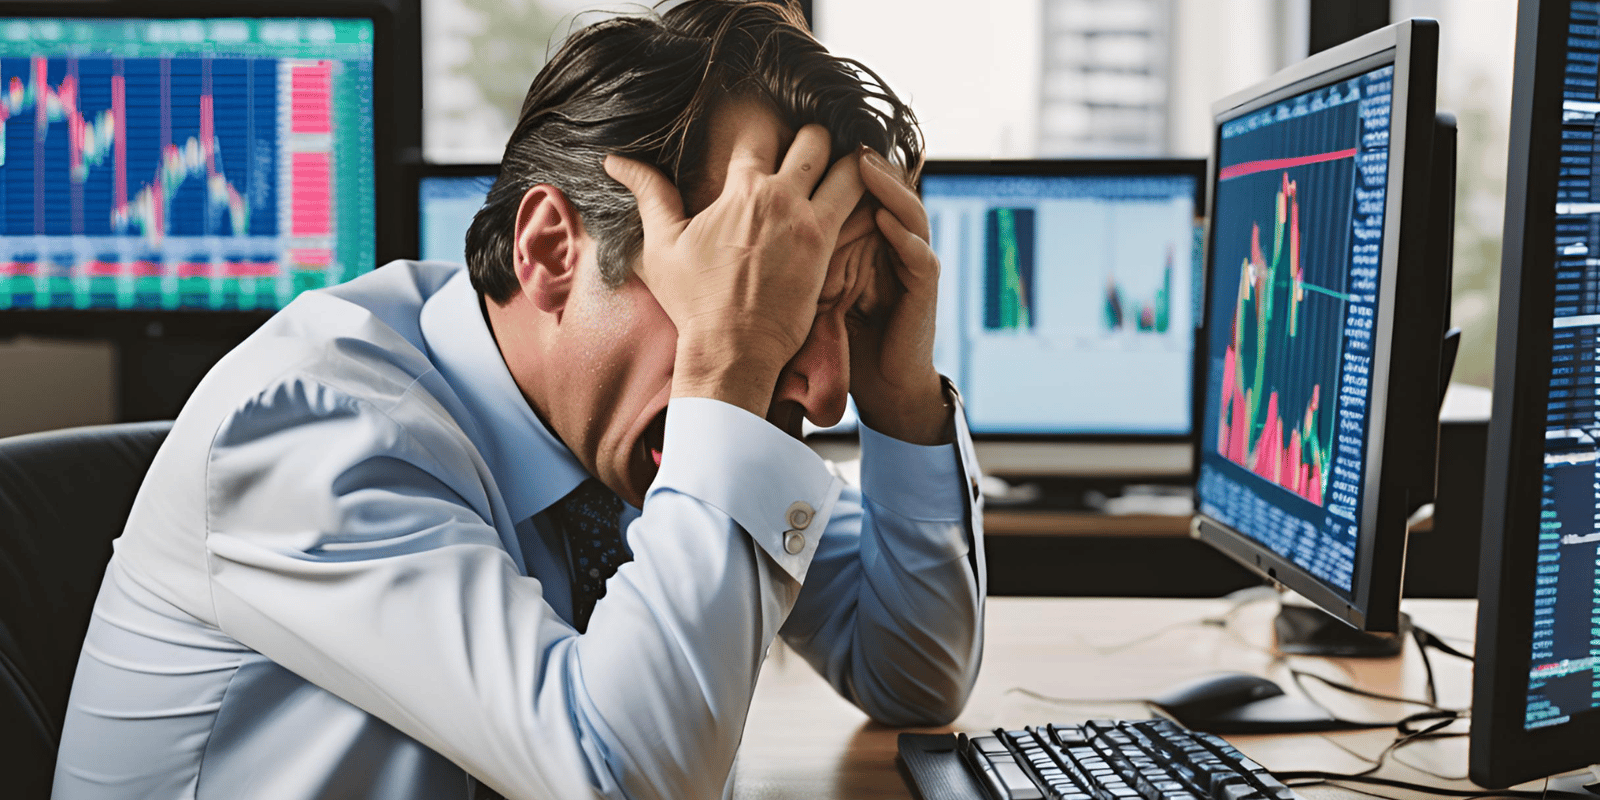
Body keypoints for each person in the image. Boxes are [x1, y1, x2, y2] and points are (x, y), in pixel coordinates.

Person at [52, 1, 985, 798]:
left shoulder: (631, 427)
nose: (824, 395)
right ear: (549, 251)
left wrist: (900, 396)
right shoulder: (309, 426)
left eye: (840, 315)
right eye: (762, 294)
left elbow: (910, 676)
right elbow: (624, 776)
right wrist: (732, 360)